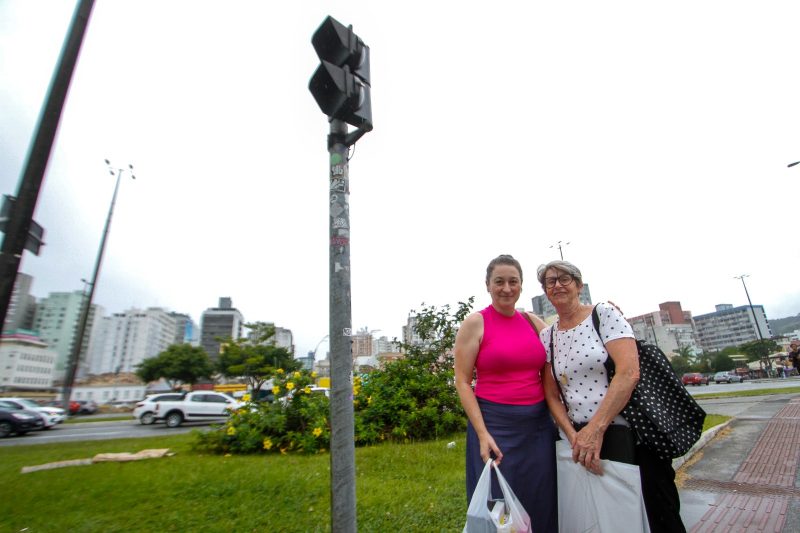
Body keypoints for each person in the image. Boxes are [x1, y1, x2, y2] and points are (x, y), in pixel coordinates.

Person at [537, 260, 686, 533]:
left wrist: (596, 429)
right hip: (581, 439)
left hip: (632, 434)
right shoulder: (547, 336)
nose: (557, 285)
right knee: (607, 518)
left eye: (564, 279)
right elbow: (552, 395)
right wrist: (575, 437)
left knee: (657, 515)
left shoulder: (603, 314)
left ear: (579, 285)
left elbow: (629, 373)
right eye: (550, 281)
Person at [454, 254, 557, 532]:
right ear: (488, 285)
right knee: (499, 510)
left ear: (521, 286)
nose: (506, 288)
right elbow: (462, 382)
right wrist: (482, 433)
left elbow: (567, 342)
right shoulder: (476, 323)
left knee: (541, 501)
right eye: (499, 281)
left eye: (513, 281)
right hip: (495, 426)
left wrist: (604, 314)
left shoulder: (533, 322)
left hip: (537, 428)